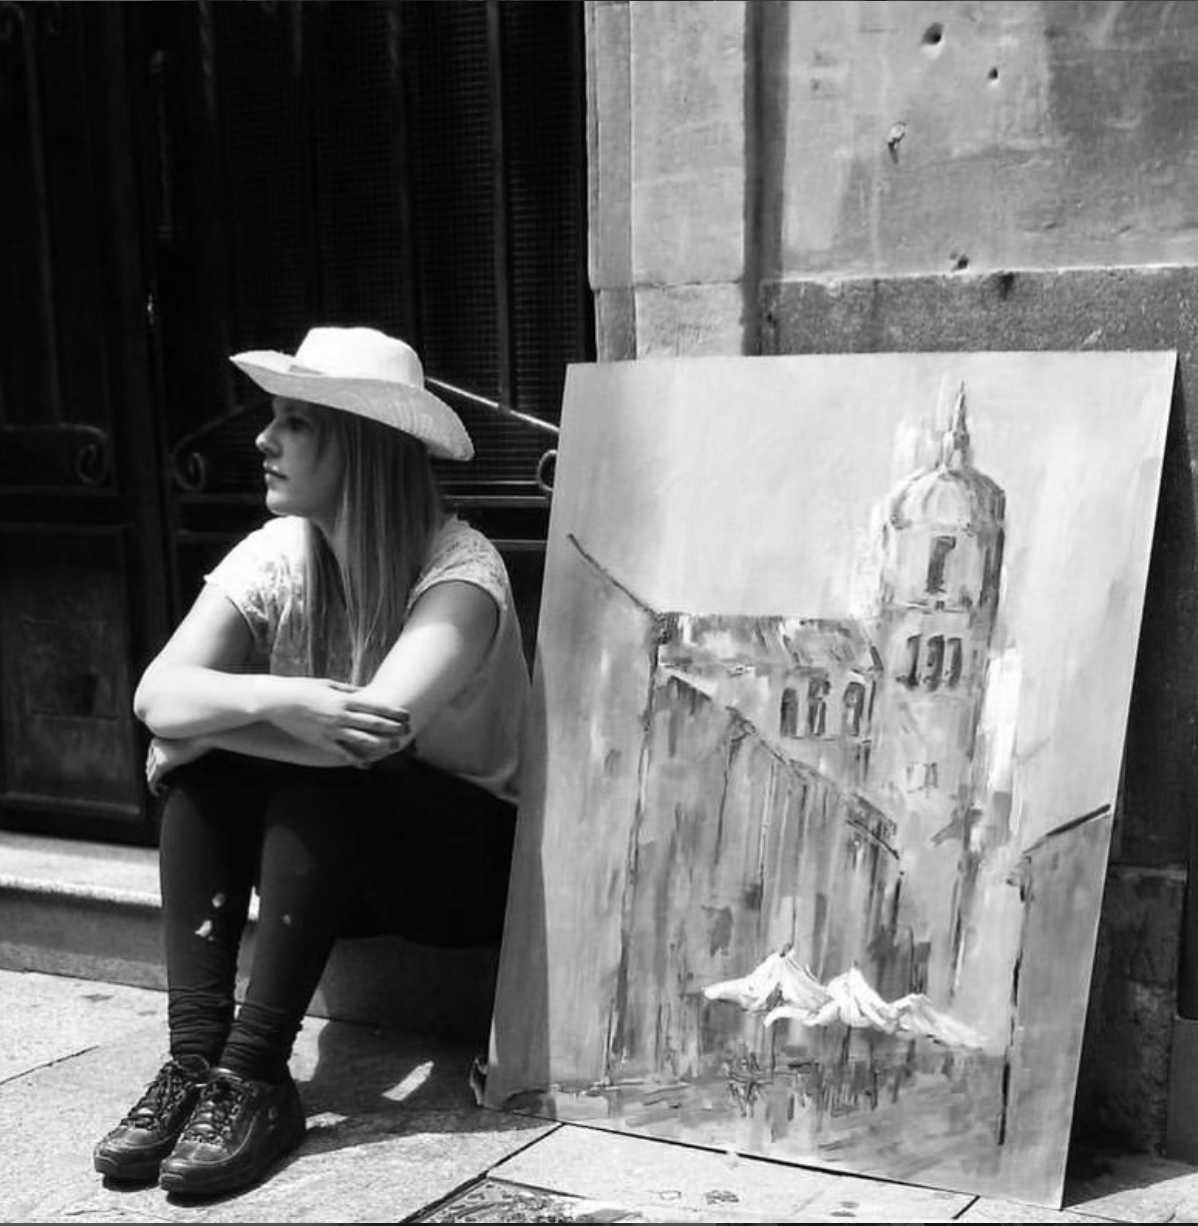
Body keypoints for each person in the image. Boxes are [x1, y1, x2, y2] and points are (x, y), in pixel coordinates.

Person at [93, 326, 529, 1198]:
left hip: (464, 877)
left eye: (294, 422)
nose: (263, 440)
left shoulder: (462, 573)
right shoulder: (278, 551)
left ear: (362, 447)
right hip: (333, 869)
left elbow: (378, 730)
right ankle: (194, 1061)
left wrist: (211, 721)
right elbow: (154, 697)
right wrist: (275, 701)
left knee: (299, 761)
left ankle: (255, 1071)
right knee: (206, 764)